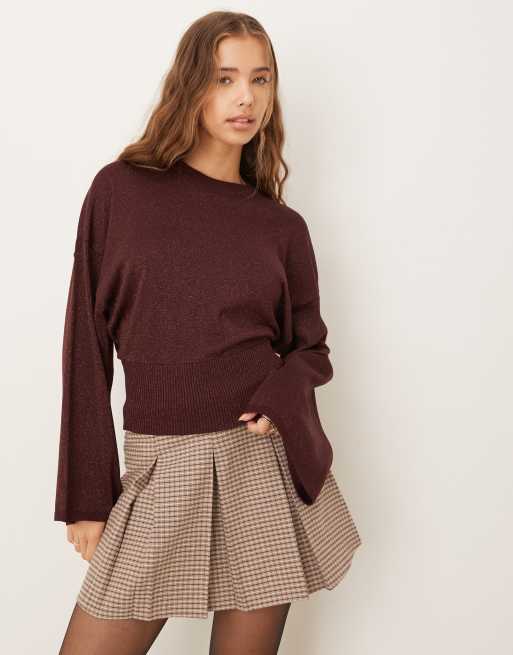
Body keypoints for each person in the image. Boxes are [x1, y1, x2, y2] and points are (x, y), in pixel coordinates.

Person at [55, 10, 362, 655]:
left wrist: (282, 396)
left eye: (260, 79)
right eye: (225, 78)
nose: (245, 97)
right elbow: (86, 344)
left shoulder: (280, 227)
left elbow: (310, 348)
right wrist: (87, 495)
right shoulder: (121, 191)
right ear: (191, 84)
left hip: (259, 464)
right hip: (161, 465)